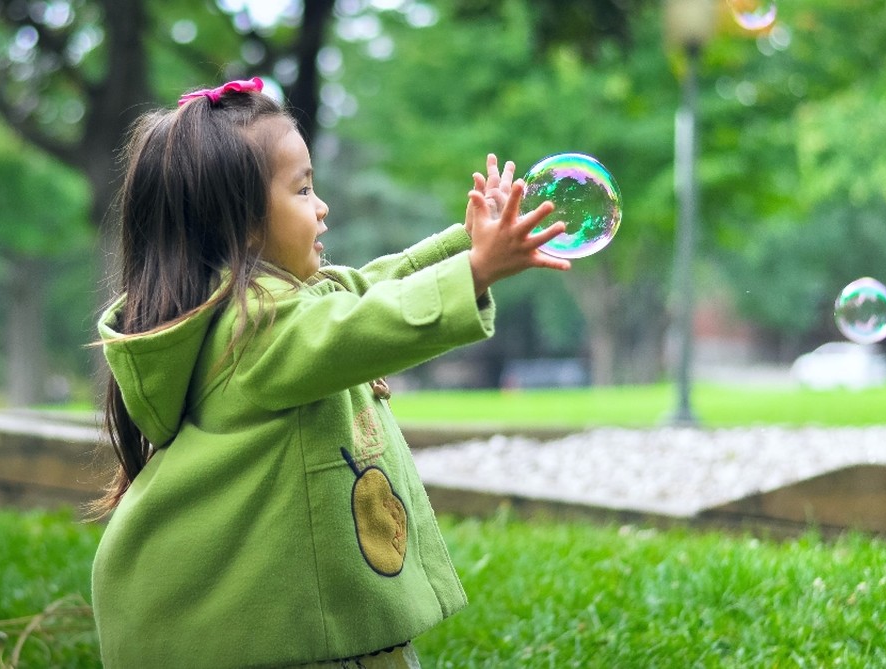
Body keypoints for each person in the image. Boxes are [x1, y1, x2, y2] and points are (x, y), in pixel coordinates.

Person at [89, 77, 570, 668]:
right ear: (240, 224)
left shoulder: (266, 309)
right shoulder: (255, 329)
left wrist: (466, 245)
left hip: (295, 626)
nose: (322, 207)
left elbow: (362, 289)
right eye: (302, 189)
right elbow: (360, 324)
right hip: (295, 646)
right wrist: (473, 272)